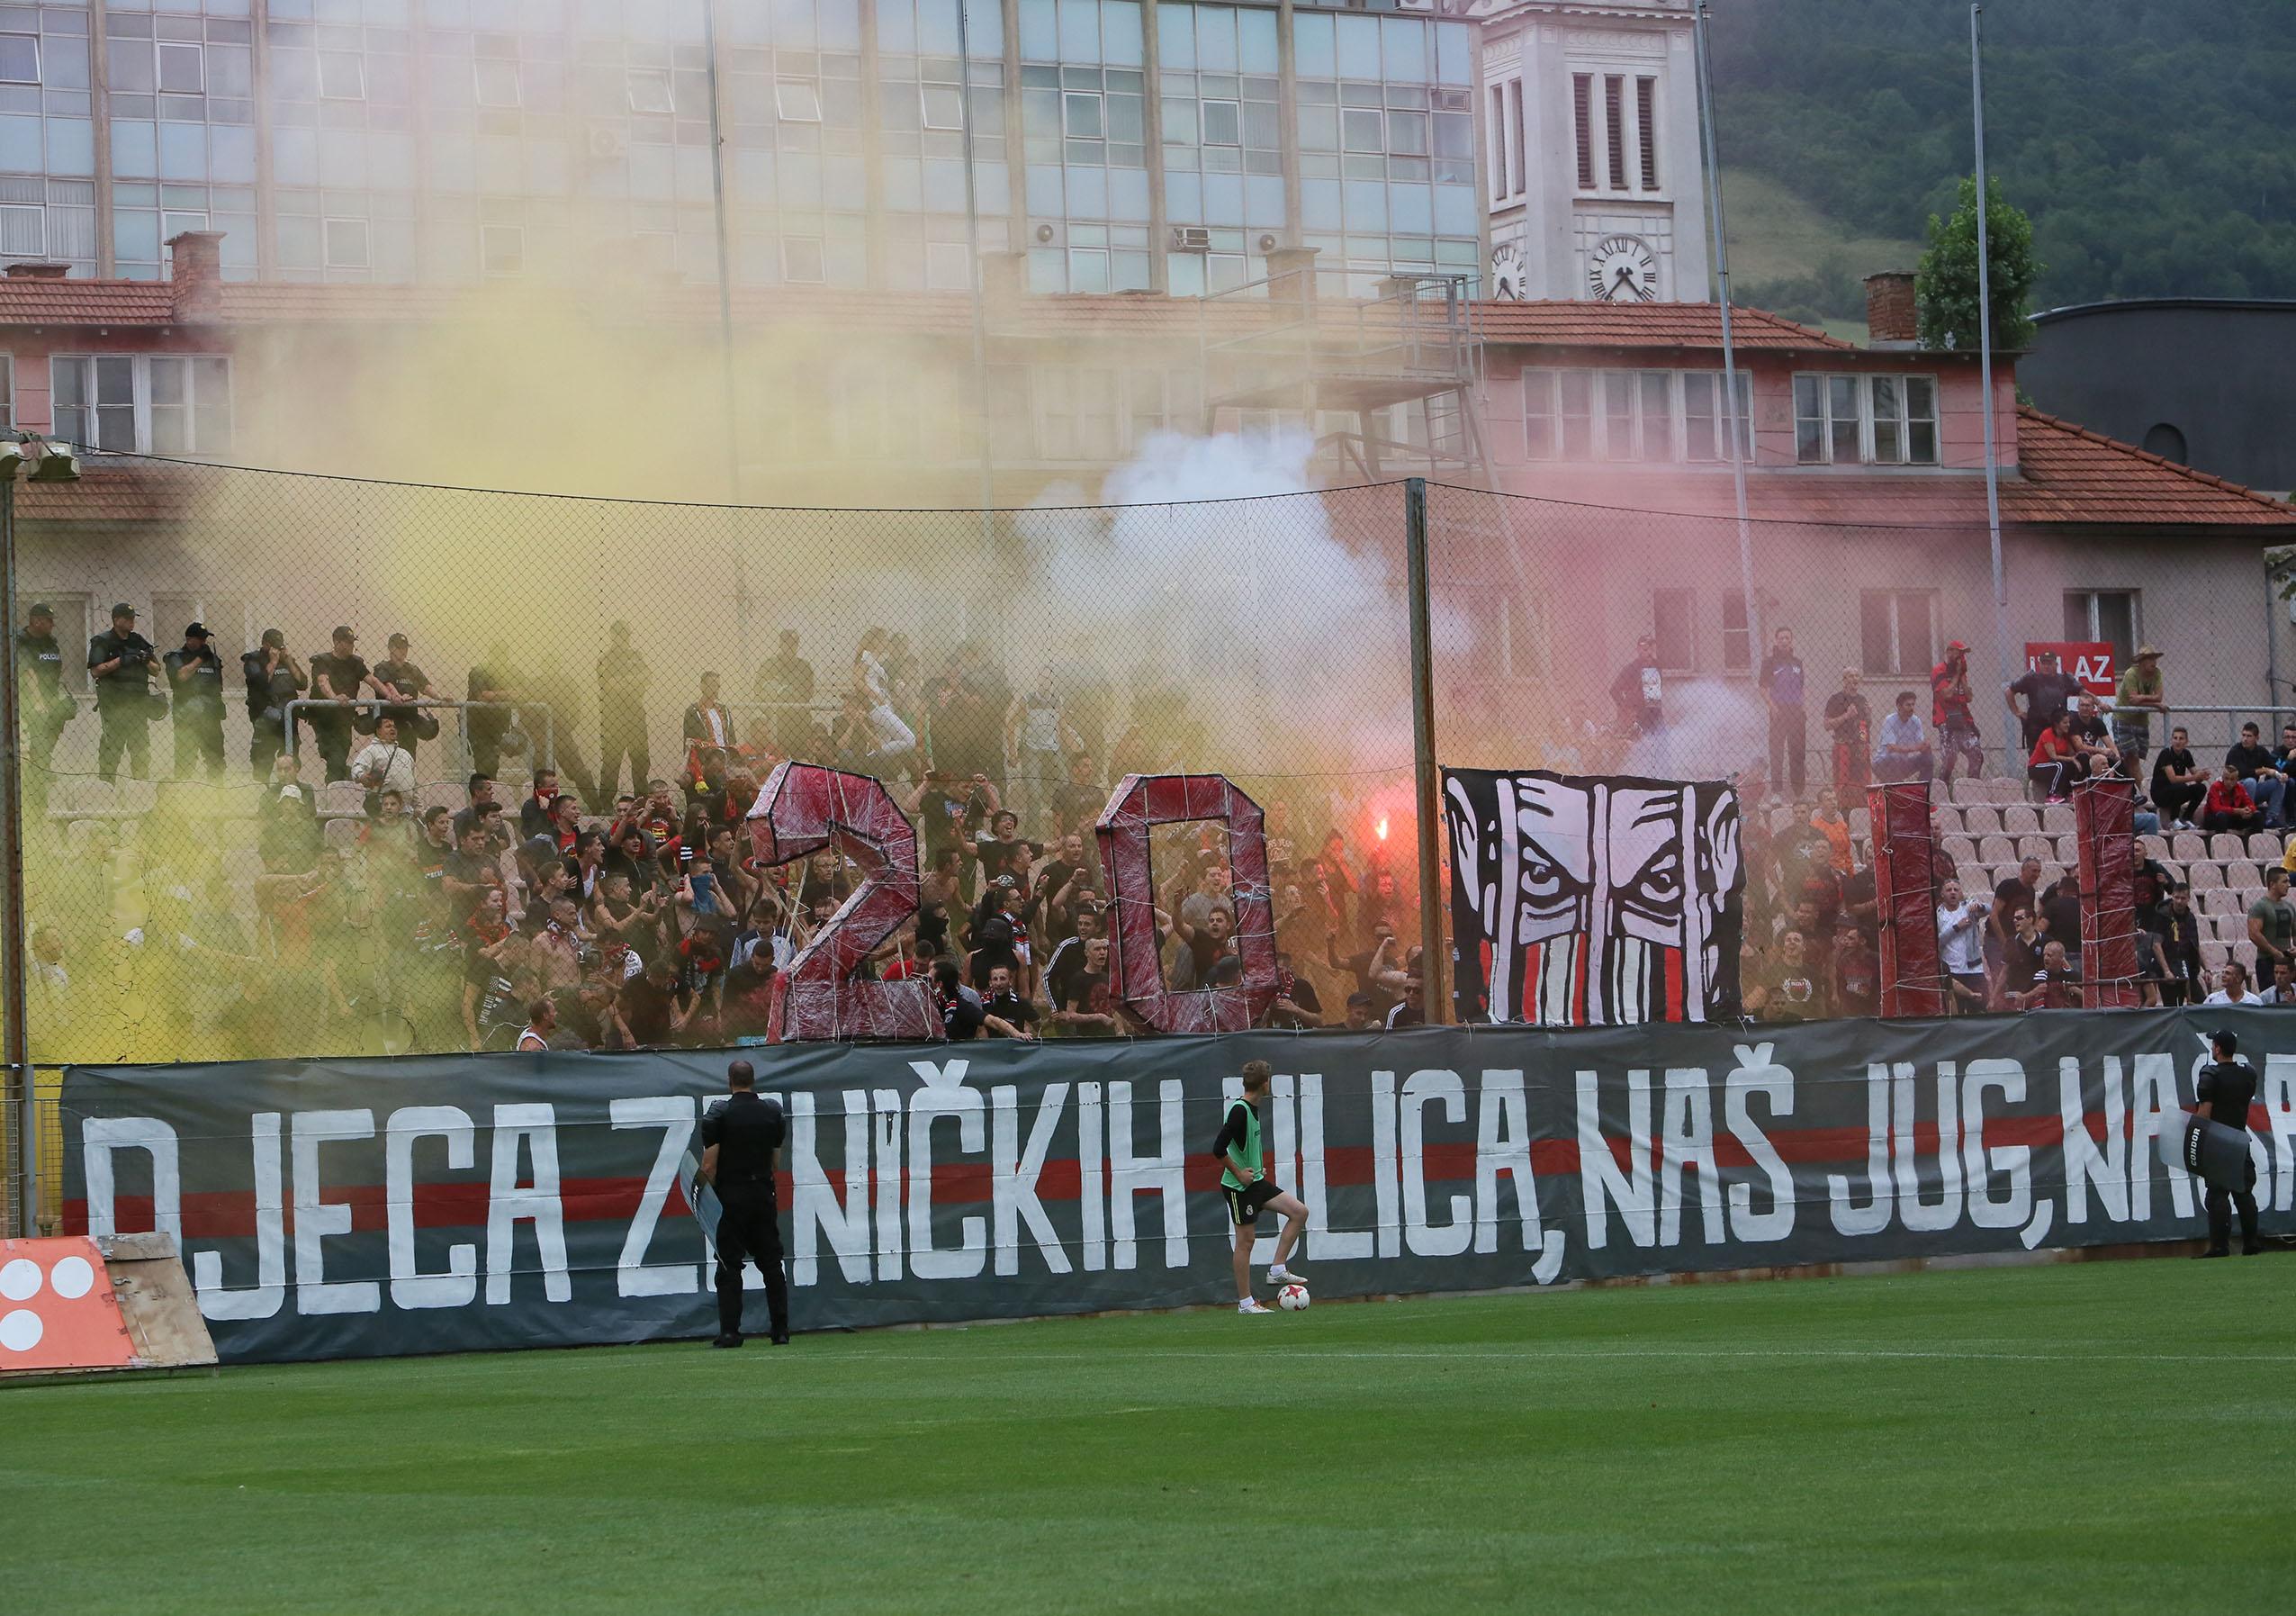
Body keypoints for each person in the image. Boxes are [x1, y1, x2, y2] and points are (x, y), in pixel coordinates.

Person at [698, 1058, 790, 1346]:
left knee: (729, 1265)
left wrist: (704, 1194)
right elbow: (776, 1161)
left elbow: (709, 1166)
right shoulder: (772, 1113)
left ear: (730, 1081)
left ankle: (730, 1332)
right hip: (762, 1195)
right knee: (772, 1264)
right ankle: (780, 1331)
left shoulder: (719, 1114)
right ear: (753, 1080)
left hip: (731, 1198)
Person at [1212, 1061, 1310, 1315]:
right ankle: (1245, 1303)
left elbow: (1241, 1149)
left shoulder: (1252, 1108)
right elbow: (1218, 1148)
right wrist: (1239, 1173)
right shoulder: (1240, 1111)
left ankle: (1277, 1269)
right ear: (1265, 1083)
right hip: (1238, 1187)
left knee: (1299, 1212)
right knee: (1246, 1241)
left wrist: (1255, 1170)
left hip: (1255, 1182)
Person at [2192, 1029, 2262, 1259]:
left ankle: (2220, 1247)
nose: (2212, 1048)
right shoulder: (2248, 1074)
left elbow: (2204, 1114)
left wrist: (2197, 1140)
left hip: (2217, 1140)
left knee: (2217, 1194)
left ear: (2218, 1048)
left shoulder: (2209, 1075)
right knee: (2244, 1192)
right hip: (2240, 1138)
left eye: (2214, 1045)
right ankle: (2251, 1243)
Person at [14, 602, 77, 822]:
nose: (52, 624)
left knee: (47, 742)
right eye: (48, 620)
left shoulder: (51, 642)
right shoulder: (22, 641)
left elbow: (55, 672)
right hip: (30, 700)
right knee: (38, 744)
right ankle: (34, 794)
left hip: (50, 700)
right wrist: (39, 701)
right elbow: (27, 672)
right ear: (36, 621)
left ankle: (41, 770)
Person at [86, 601, 159, 782]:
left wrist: (145, 660)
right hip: (114, 704)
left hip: (138, 704)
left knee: (140, 750)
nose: (132, 621)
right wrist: (121, 661)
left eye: (133, 618)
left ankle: (141, 789)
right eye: (127, 618)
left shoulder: (138, 641)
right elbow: (96, 670)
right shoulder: (103, 641)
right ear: (116, 619)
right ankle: (107, 788)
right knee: (112, 749)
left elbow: (156, 669)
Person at [308, 625, 384, 784]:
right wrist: (334, 698)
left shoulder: (355, 663)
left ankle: (349, 778)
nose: (351, 646)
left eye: (352, 642)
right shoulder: (323, 661)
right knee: (335, 759)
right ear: (336, 642)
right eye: (347, 642)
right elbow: (323, 682)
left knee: (339, 758)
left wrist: (392, 696)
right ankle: (350, 779)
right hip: (324, 720)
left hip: (344, 719)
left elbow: (373, 681)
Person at [158, 620, 227, 780]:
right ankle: (183, 797)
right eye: (200, 639)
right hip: (187, 718)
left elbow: (217, 687)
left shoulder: (212, 658)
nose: (204, 643)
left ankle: (219, 794)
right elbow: (182, 675)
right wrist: (200, 659)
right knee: (185, 761)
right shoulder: (175, 657)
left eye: (205, 639)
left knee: (216, 760)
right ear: (189, 639)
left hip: (211, 717)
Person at [241, 627, 307, 782]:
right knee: (262, 759)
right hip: (266, 718)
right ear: (265, 644)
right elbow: (260, 683)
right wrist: (273, 661)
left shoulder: (286, 661)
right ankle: (263, 791)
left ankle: (286, 789)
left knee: (289, 758)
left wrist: (289, 661)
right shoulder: (253, 660)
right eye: (274, 646)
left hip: (288, 719)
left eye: (280, 646)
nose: (277, 650)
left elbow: (303, 683)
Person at [596, 619, 651, 801]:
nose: (622, 639)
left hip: (635, 715)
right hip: (614, 718)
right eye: (618, 634)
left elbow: (647, 677)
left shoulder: (636, 656)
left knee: (640, 760)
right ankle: (605, 802)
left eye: (625, 635)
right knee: (611, 762)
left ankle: (641, 801)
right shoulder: (606, 658)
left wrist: (623, 681)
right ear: (612, 636)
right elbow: (610, 684)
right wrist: (632, 681)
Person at [2005, 648, 2084, 756]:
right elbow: (2009, 691)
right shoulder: (2031, 679)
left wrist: (2098, 702)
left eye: (2049, 663)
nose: (2046, 666)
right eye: (2044, 663)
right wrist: (2017, 711)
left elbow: (2082, 691)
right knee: (2037, 760)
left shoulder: (2064, 679)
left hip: (2058, 728)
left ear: (2056, 664)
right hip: (2037, 728)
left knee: (2062, 758)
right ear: (2040, 664)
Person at [371, 633, 436, 757]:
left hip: (408, 723)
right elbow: (387, 685)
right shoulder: (382, 667)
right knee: (387, 760)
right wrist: (399, 697)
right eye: (399, 647)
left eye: (405, 648)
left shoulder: (412, 669)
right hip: (389, 723)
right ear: (390, 648)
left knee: (407, 759)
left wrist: (440, 697)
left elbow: (426, 686)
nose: (403, 651)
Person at [1759, 627, 1806, 799]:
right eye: (1781, 638)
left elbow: (1801, 688)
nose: (1784, 641)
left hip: (1796, 712)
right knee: (1777, 751)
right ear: (1776, 641)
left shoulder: (1797, 663)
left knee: (1798, 752)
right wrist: (1772, 707)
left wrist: (1802, 707)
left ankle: (1799, 792)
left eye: (1787, 638)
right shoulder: (1769, 662)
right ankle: (1777, 792)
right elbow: (1762, 688)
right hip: (1779, 711)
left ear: (1791, 640)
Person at [1930, 640, 1984, 785]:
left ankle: (1972, 787)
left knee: (1976, 755)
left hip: (1963, 718)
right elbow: (1946, 694)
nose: (1960, 656)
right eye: (1957, 652)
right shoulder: (1939, 670)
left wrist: (1961, 676)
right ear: (1949, 652)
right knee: (1950, 758)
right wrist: (1956, 676)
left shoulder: (1961, 673)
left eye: (1962, 653)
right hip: (1946, 718)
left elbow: (1969, 697)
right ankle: (1943, 787)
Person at [755, 628, 815, 753]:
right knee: (779, 756)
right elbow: (758, 690)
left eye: (794, 644)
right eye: (787, 643)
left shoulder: (804, 666)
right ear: (781, 644)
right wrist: (772, 703)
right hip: (777, 719)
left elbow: (808, 693)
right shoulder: (769, 665)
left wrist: (787, 693)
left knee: (800, 755)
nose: (791, 647)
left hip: (799, 720)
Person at [2112, 646, 2165, 781]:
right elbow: (2133, 700)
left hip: (2141, 720)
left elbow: (2159, 696)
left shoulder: (2157, 673)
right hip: (2124, 719)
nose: (2153, 662)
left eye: (2154, 659)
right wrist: (2154, 704)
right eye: (2149, 659)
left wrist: (2142, 698)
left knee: (2135, 759)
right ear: (2141, 661)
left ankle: (2131, 789)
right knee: (2131, 758)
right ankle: (2140, 792)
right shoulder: (2131, 673)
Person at [2222, 721, 2289, 828]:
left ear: (2257, 738)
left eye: (2249, 736)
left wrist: (2281, 774)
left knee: (2279, 782)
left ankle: (2271, 819)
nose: (2245, 739)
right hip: (2235, 792)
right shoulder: (2235, 751)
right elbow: (2240, 773)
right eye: (2243, 735)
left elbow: (2272, 766)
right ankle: (2248, 816)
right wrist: (2263, 771)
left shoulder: (2261, 751)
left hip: (2252, 792)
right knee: (2250, 781)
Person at [1936, 880, 1988, 1013]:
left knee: (1980, 1009)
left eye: (1956, 889)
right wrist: (1956, 927)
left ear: (1960, 892)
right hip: (1952, 970)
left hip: (1973, 968)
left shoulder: (1968, 908)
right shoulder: (1938, 915)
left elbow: (1989, 909)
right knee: (1956, 1011)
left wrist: (1979, 906)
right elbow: (1938, 941)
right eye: (1949, 890)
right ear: (1942, 894)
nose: (1953, 893)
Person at [1823, 668, 1871, 798]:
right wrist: (1846, 716)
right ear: (1844, 681)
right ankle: (1842, 806)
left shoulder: (1862, 699)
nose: (1854, 679)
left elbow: (1864, 726)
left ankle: (1862, 806)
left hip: (1860, 746)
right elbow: (1827, 725)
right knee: (1842, 784)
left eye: (1857, 676)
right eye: (1850, 676)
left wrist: (1869, 716)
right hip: (1843, 745)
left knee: (1863, 782)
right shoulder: (1835, 699)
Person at [349, 715, 418, 801]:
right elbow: (356, 767)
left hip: (406, 809)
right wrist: (362, 776)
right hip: (384, 806)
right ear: (378, 731)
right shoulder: (372, 750)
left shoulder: (405, 754)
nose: (392, 729)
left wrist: (418, 807)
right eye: (388, 726)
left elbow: (415, 784)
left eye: (394, 727)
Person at [1871, 691, 1933, 784]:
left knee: (1928, 759)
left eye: (1913, 705)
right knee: (1895, 757)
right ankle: (1894, 790)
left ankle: (1921, 790)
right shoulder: (1890, 720)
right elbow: (1891, 748)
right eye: (1908, 705)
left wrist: (1926, 746)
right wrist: (1916, 747)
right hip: (1882, 764)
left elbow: (1921, 746)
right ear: (1899, 706)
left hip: (1902, 763)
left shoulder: (1916, 721)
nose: (1912, 708)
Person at [2151, 727, 2206, 830]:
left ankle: (2187, 818)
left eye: (2181, 739)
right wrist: (2194, 777)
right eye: (2175, 738)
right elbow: (2173, 779)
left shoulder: (2186, 754)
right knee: (2180, 786)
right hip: (2160, 794)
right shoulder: (2166, 754)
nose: (2177, 741)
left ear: (2186, 741)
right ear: (2171, 740)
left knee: (2201, 788)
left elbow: (2195, 774)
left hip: (2177, 791)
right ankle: (2173, 820)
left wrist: (2202, 775)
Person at [2247, 868, 2296, 983]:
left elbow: (2295, 933)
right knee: (2270, 998)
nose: (2288, 885)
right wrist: (2274, 952)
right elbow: (2254, 934)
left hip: (2288, 962)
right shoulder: (2260, 906)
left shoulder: (2290, 907)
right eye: (2284, 882)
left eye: (2289, 881)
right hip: (2266, 961)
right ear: (2272, 884)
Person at [1609, 633, 1662, 736]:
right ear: (1638, 650)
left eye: (1652, 650)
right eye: (1646, 649)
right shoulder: (1631, 669)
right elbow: (1614, 690)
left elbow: (1653, 699)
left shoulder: (1656, 667)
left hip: (1654, 717)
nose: (1649, 653)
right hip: (1637, 717)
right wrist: (1625, 707)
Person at [2027, 711, 2086, 802]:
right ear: (2056, 724)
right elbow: (2053, 756)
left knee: (2073, 764)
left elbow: (2071, 754)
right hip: (2037, 766)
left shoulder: (2065, 736)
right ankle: (2051, 795)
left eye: (2069, 722)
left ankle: (2069, 793)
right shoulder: (2047, 734)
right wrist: (2071, 759)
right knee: (2060, 765)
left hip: (2053, 765)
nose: (2068, 725)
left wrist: (2078, 758)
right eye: (2065, 723)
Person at [2199, 769, 2261, 836]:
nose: (2229, 782)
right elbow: (2216, 809)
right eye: (2226, 778)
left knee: (2258, 816)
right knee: (2221, 816)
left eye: (2232, 779)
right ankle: (2221, 843)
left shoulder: (2240, 788)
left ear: (2237, 779)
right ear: (2222, 778)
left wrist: (2249, 811)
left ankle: (2256, 843)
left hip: (2232, 818)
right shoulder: (2215, 787)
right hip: (2214, 818)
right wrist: (2238, 811)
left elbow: (2251, 804)